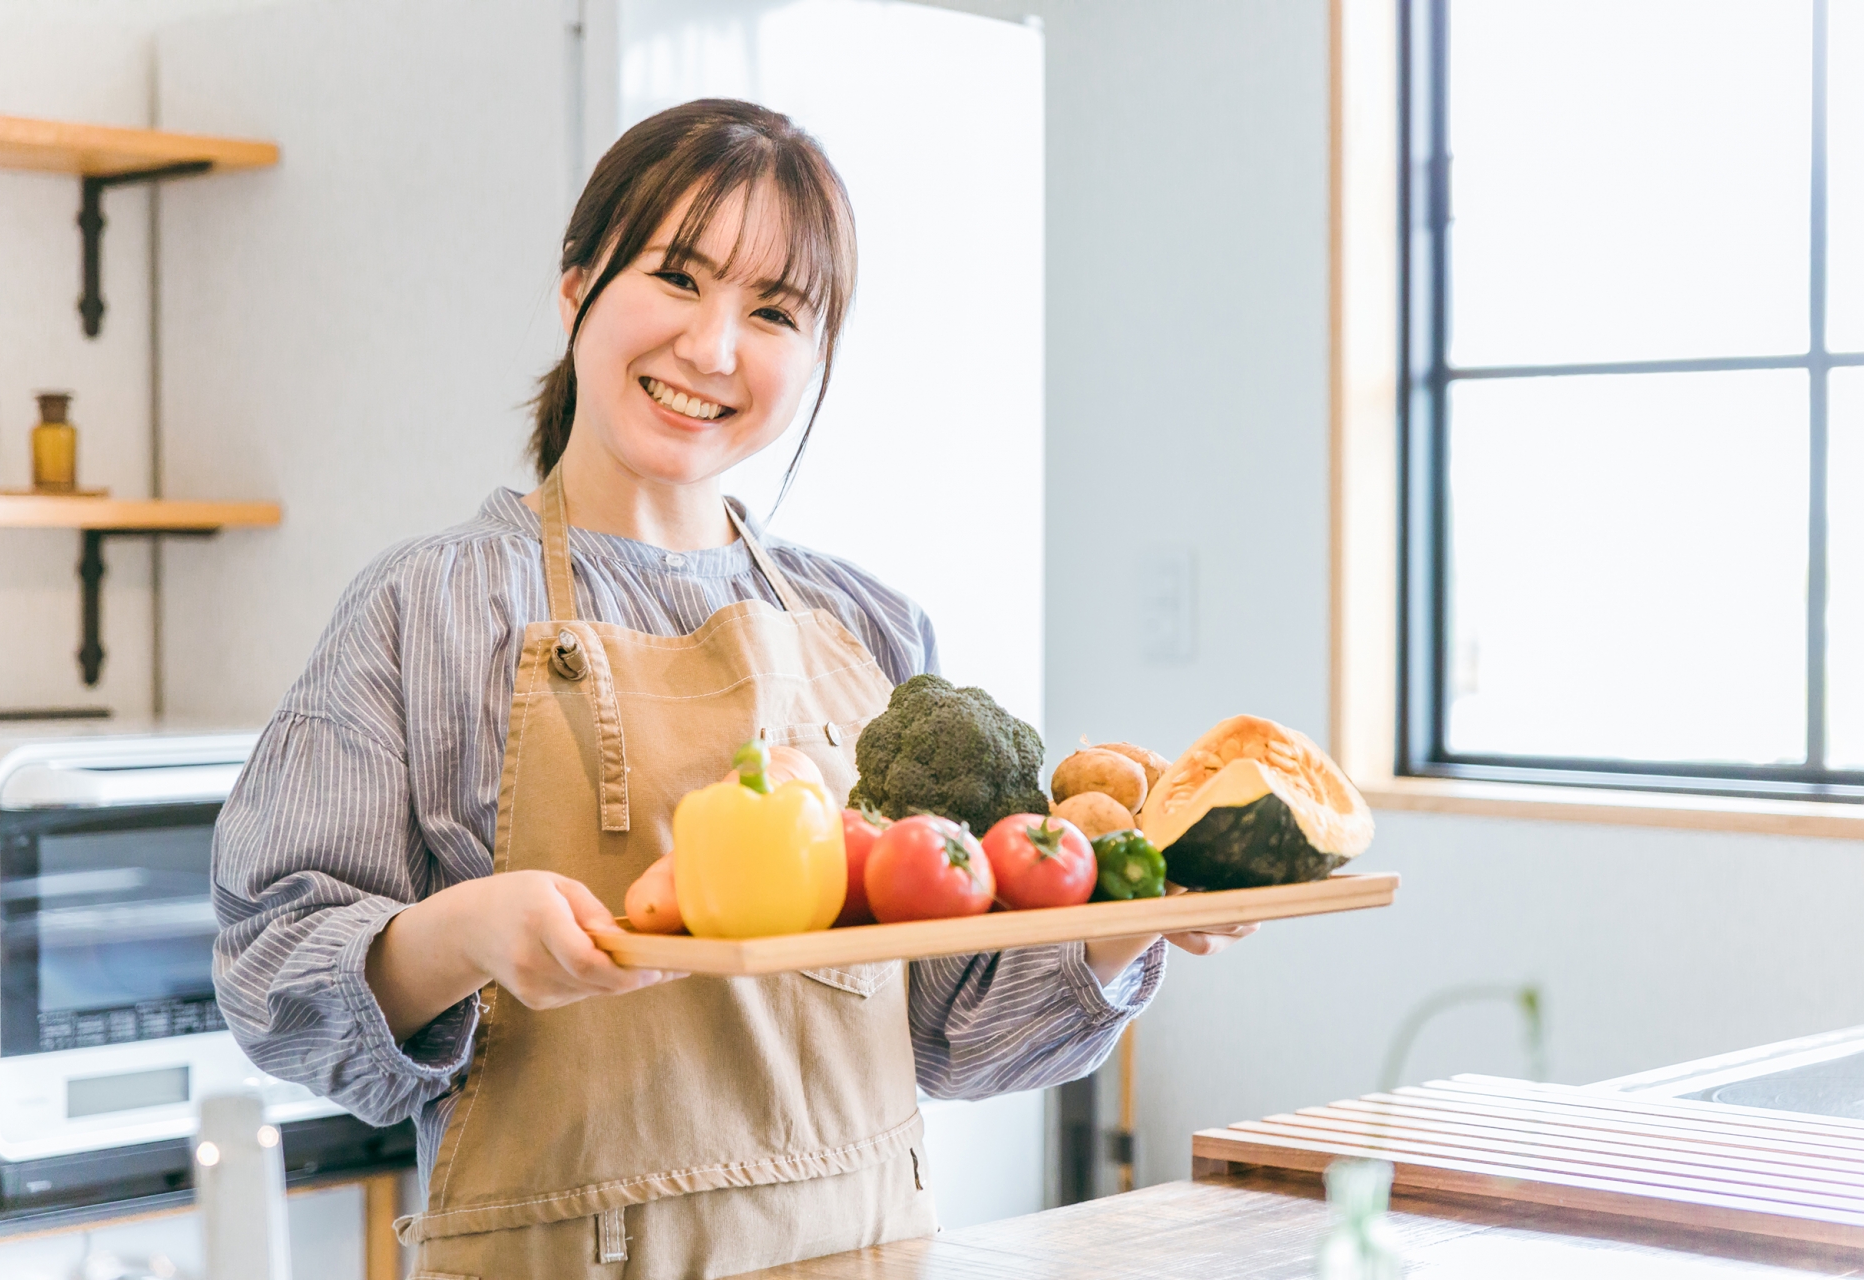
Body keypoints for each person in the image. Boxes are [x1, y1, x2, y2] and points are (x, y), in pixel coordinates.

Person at [211, 98, 1251, 1279]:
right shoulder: (424, 608)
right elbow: (272, 970)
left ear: (814, 357)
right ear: (577, 285)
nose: (713, 348)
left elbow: (951, 1028)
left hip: (863, 1254)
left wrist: (1125, 925)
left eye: (773, 311)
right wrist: (461, 935)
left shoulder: (869, 624)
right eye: (678, 278)